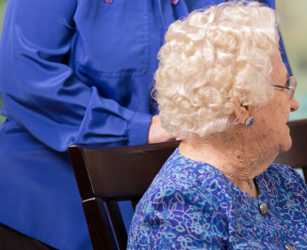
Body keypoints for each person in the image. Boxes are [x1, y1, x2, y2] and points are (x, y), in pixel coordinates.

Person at [0, 0, 291, 249]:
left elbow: (274, 83)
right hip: (48, 205)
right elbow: (24, 75)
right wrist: (138, 129)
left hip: (200, 204)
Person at [126, 2, 307, 249]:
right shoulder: (177, 210)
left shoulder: (284, 183)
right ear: (242, 106)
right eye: (285, 87)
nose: (294, 103)